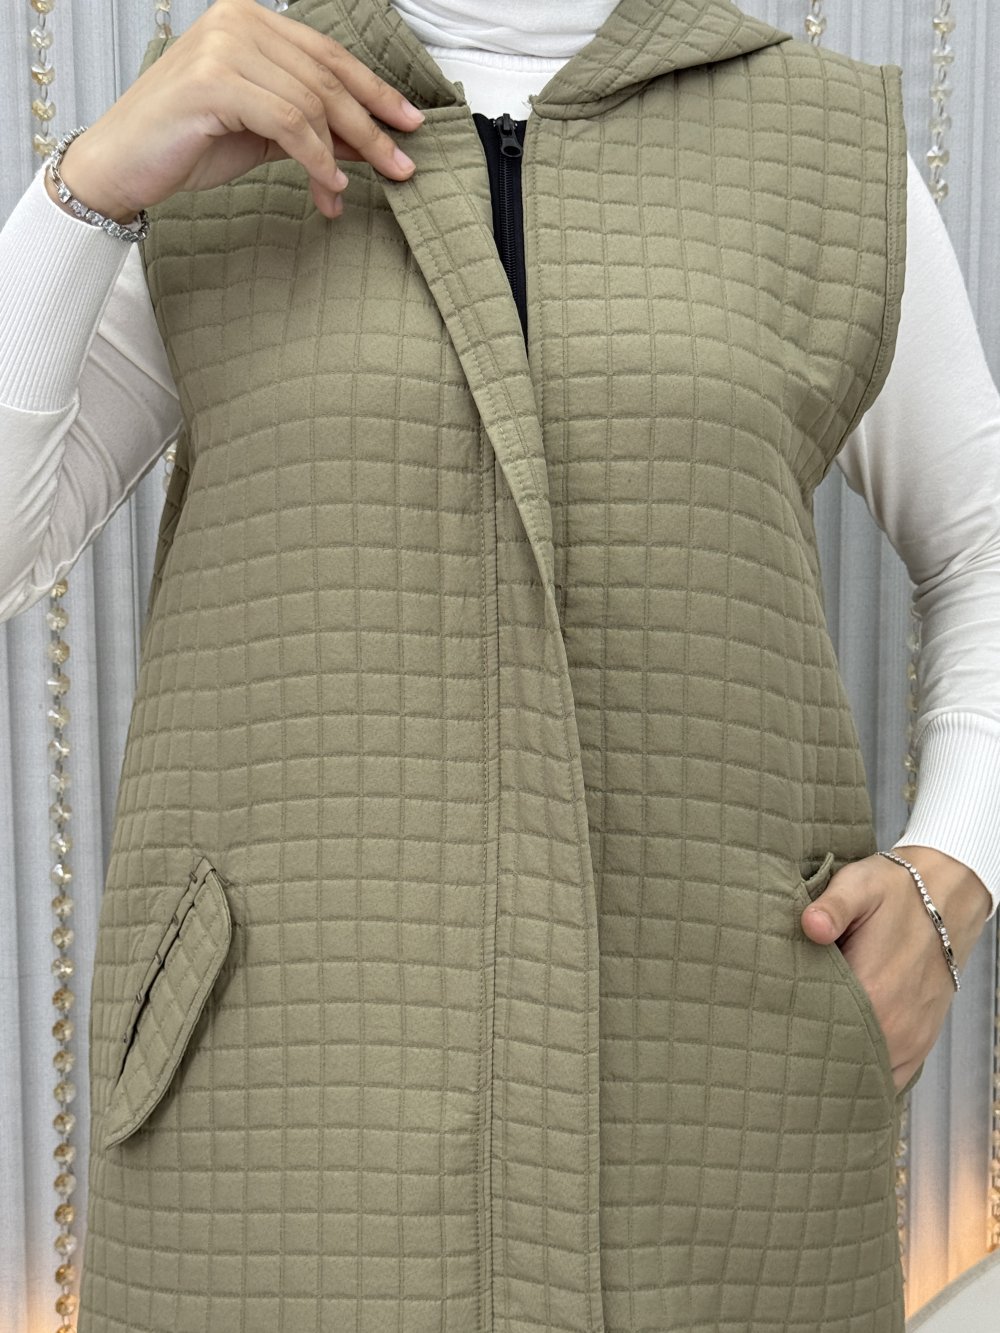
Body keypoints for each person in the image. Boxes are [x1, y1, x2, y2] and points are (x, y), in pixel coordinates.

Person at [1, 0, 999, 1328]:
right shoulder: (219, 127)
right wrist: (90, 191)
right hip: (275, 1107)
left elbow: (982, 541)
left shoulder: (820, 146)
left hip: (719, 1100)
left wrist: (956, 864)